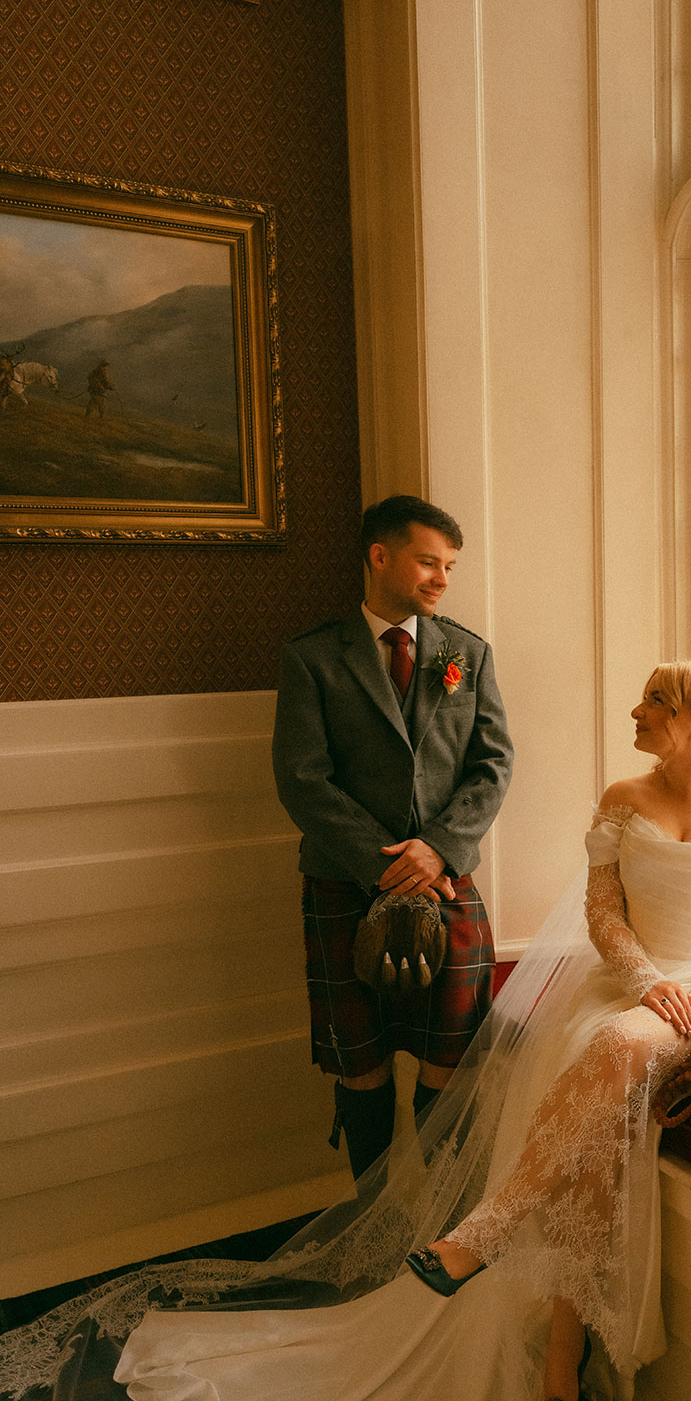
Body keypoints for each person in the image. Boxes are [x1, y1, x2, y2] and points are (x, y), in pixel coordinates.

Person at [0, 663, 691, 1401]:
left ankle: (483, 1234)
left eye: (652, 706)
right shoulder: (622, 800)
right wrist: (643, 976)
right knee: (596, 1118)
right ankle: (560, 1367)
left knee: (605, 1059)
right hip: (638, 990)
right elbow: (605, 921)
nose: (636, 717)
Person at [272, 493, 513, 1181]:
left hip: (446, 879)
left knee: (454, 1052)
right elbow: (302, 779)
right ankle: (374, 1228)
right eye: (429, 562)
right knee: (362, 1063)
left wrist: (437, 848)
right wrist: (386, 866)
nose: (442, 578)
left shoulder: (469, 652)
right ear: (380, 556)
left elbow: (494, 765)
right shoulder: (312, 657)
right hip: (345, 882)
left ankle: (440, 1226)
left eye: (450, 566)